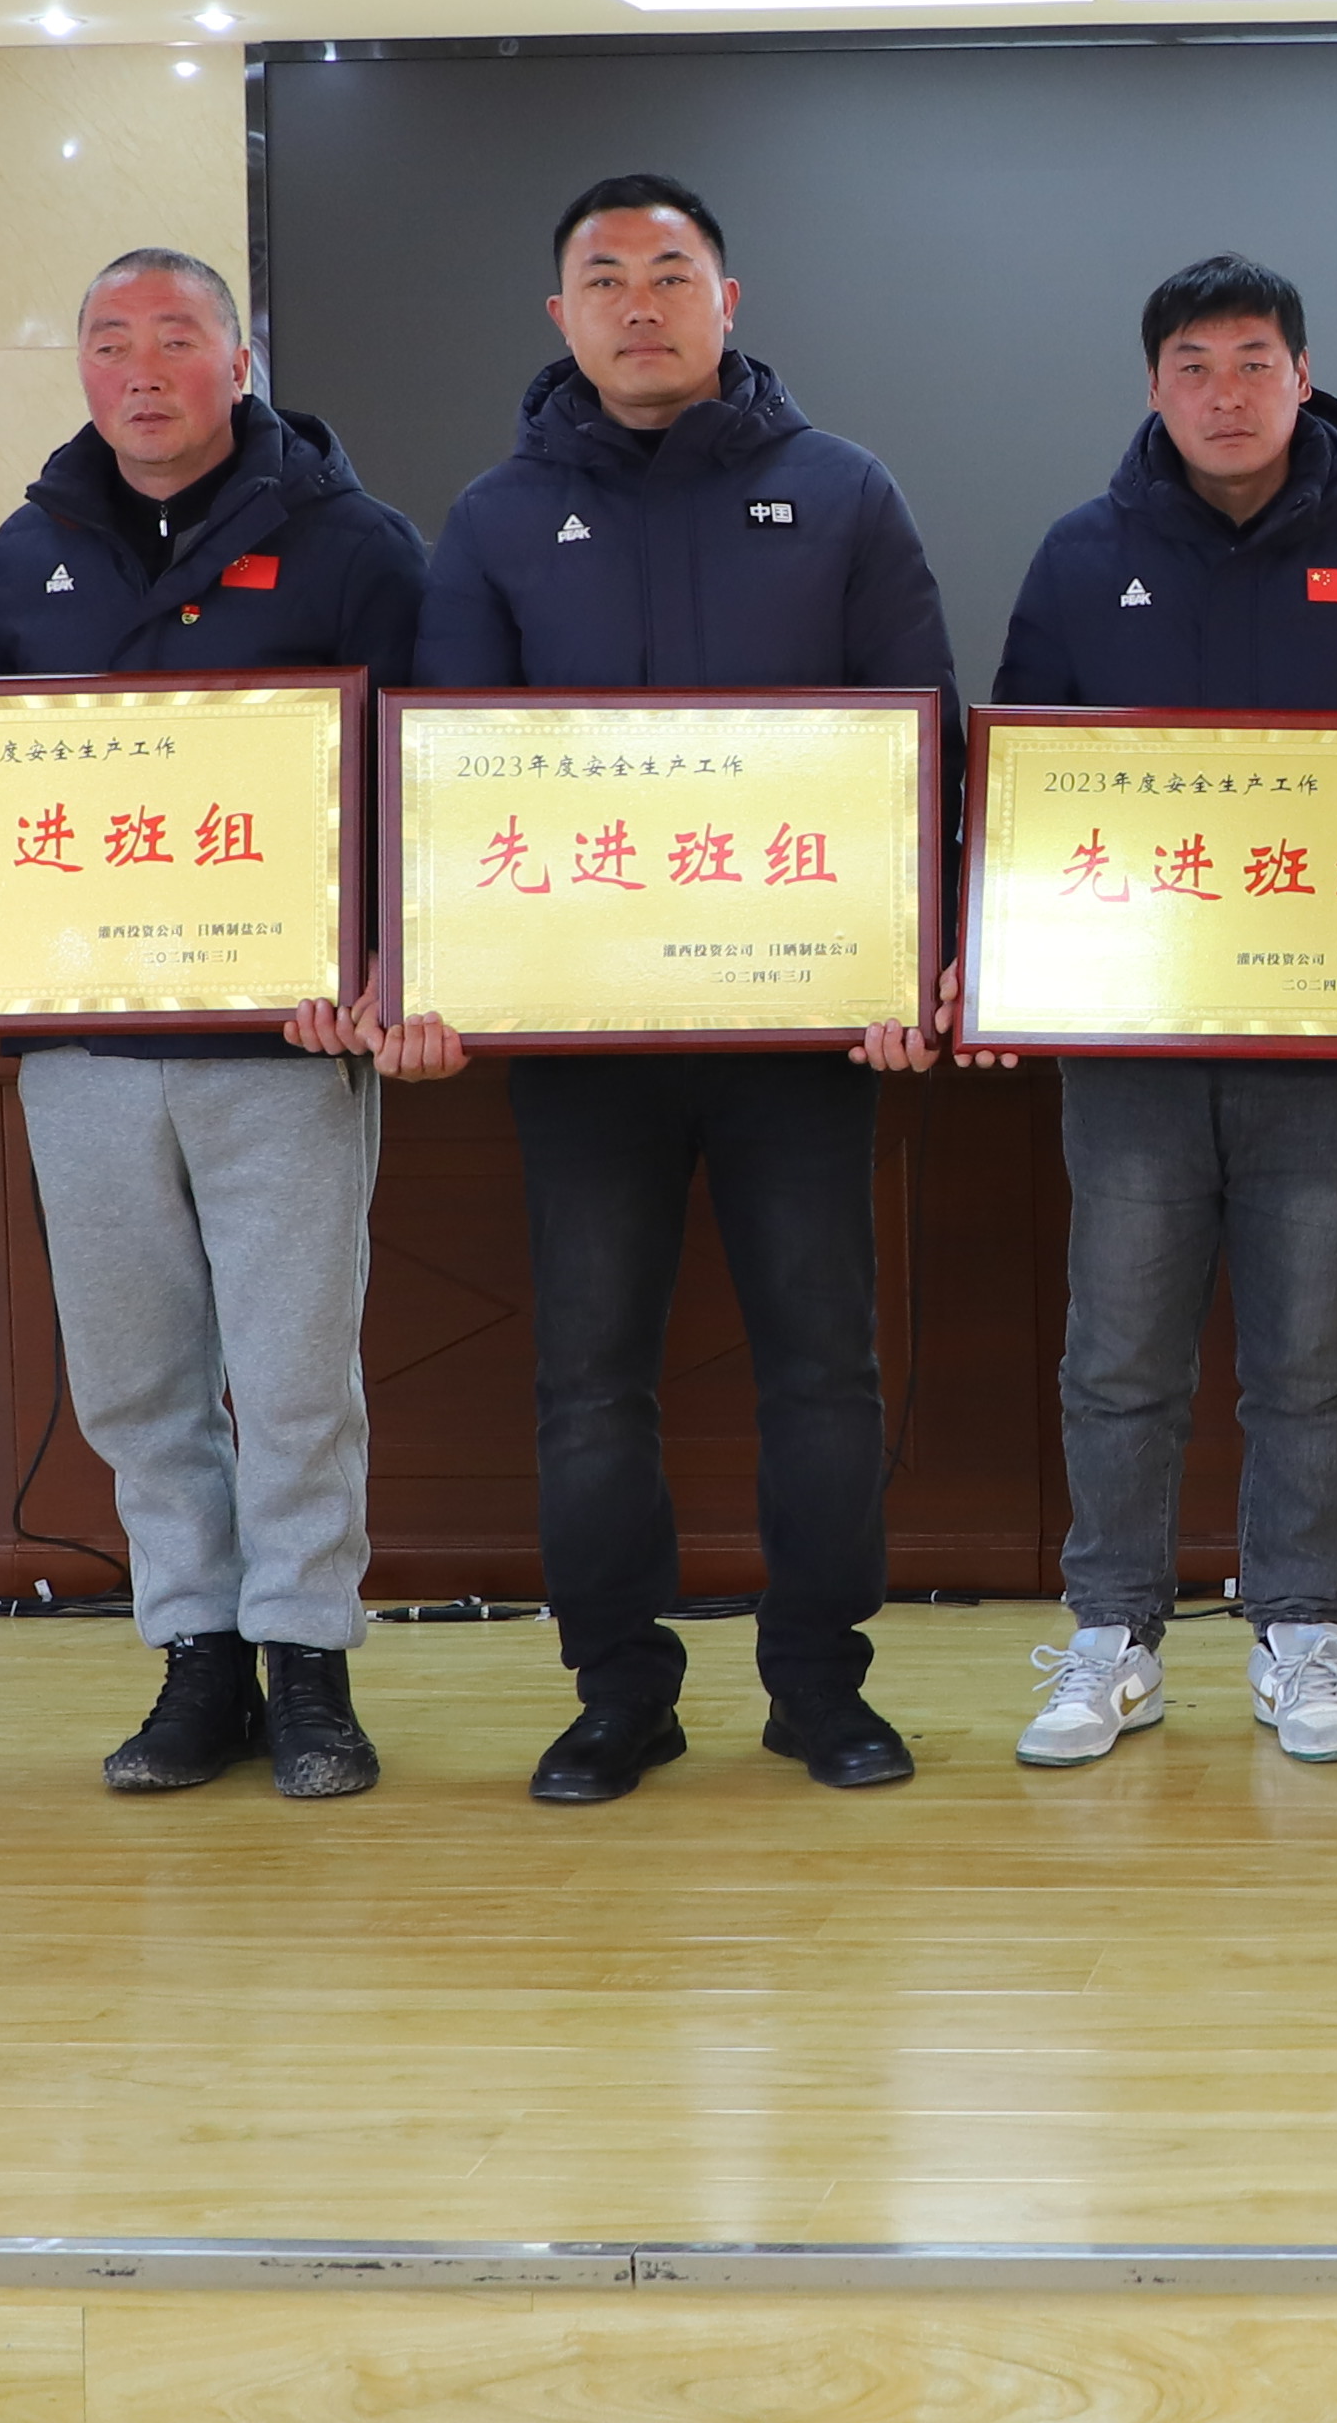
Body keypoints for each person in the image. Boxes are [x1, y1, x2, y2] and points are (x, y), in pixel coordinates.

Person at [387, 174, 954, 1807]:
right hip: (584, 1044)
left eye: (671, 273)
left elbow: (923, 737)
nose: (640, 303)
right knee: (589, 1385)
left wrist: (912, 954)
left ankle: (819, 1688)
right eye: (605, 278)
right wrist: (436, 973)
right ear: (560, 315)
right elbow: (449, 781)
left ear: (728, 300)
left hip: (802, 1030)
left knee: (823, 1375)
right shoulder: (497, 517)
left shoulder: (842, 493)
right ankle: (619, 1695)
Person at [0, 250, 428, 1803]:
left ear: (242, 360)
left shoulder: (355, 543)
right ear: (84, 372)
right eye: (111, 342)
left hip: (286, 1047)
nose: (143, 368)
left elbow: (418, 781)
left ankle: (307, 1660)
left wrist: (385, 960)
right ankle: (197, 1654)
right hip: (85, 1049)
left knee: (292, 1379)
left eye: (177, 338)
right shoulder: (33, 544)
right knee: (136, 1381)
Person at [986, 254, 1337, 1772]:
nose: (1226, 393)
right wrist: (995, 955)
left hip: (1328, 1040)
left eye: (1254, 362)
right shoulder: (1083, 556)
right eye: (1195, 367)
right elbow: (1014, 787)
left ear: (1303, 376)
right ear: (1155, 387)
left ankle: (1299, 1630)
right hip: (1132, 1039)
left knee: (1309, 1363)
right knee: (1119, 1357)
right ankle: (1113, 1636)